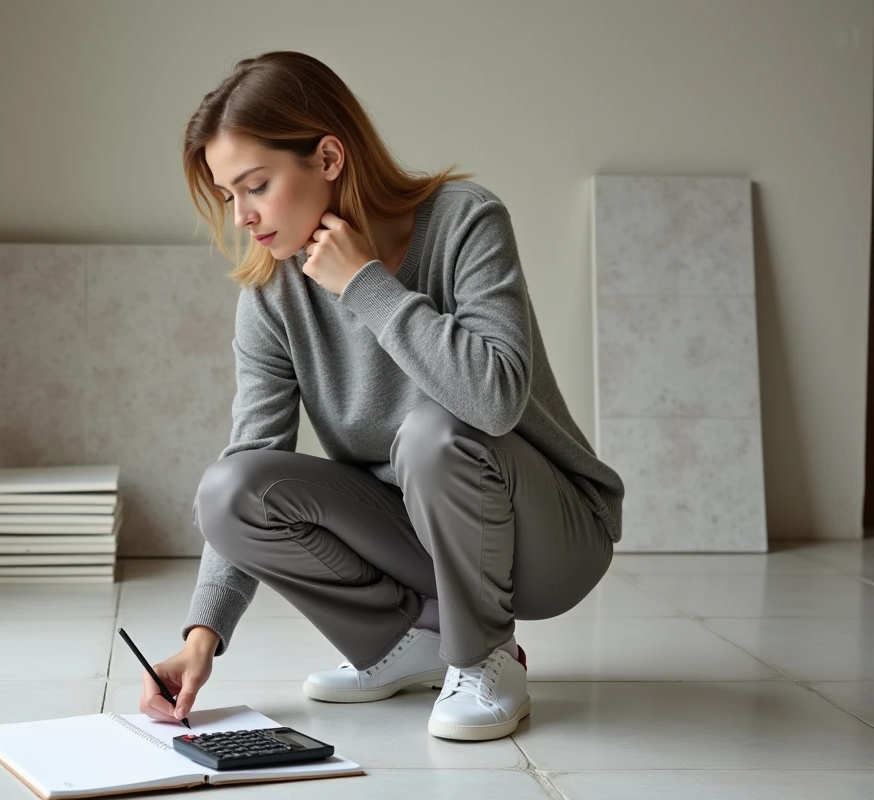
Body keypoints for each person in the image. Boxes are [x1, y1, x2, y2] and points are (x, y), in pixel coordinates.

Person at [138, 50, 625, 742]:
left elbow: (494, 401)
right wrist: (201, 639)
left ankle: (484, 657)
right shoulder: (273, 295)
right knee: (230, 488)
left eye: (256, 186)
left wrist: (366, 284)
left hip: (551, 541)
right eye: (228, 196)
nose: (242, 216)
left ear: (328, 157)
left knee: (432, 431)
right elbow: (250, 457)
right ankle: (413, 640)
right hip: (422, 540)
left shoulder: (464, 221)